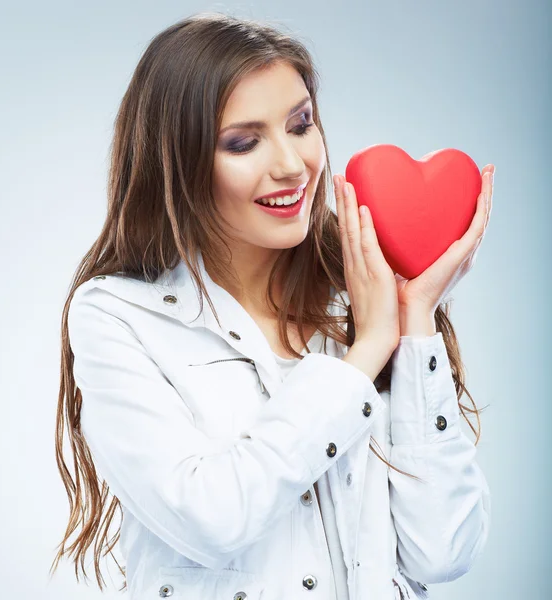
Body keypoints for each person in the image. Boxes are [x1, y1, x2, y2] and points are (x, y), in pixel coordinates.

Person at [49, 12, 493, 600]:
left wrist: (414, 327)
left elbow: (442, 553)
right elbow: (211, 519)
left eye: (301, 124)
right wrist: (362, 360)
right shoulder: (117, 317)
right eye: (244, 141)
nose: (291, 164)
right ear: (178, 162)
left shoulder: (364, 293)